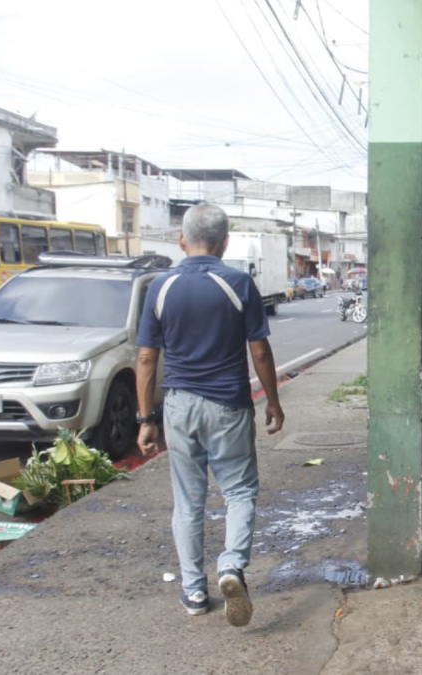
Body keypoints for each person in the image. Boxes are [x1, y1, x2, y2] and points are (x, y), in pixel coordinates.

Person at [135, 203, 284, 627]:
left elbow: (146, 358)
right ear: (225, 242)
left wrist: (146, 418)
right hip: (229, 404)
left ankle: (195, 591)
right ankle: (232, 566)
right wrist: (272, 401)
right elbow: (259, 349)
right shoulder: (237, 282)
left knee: (188, 500)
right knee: (238, 492)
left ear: (182, 240)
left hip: (179, 406)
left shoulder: (160, 287)